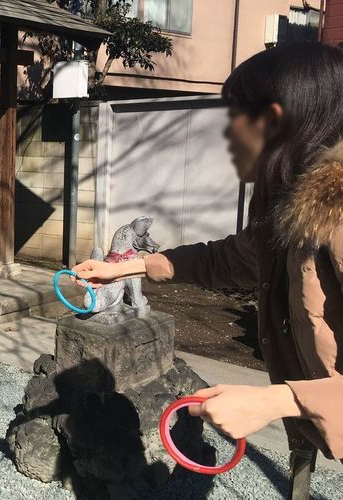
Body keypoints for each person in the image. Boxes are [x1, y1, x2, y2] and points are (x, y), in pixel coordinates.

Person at [72, 42, 343, 474]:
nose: (226, 134)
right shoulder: (293, 214)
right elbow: (226, 260)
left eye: (233, 117)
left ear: (272, 121)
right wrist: (122, 267)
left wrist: (279, 399)